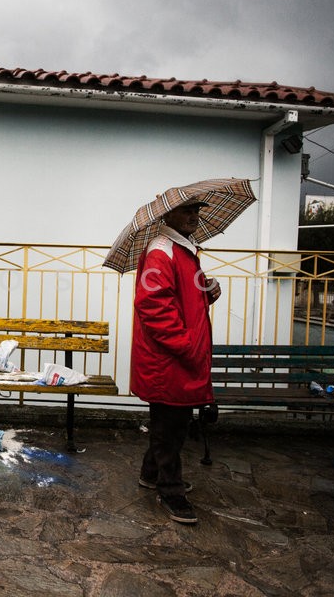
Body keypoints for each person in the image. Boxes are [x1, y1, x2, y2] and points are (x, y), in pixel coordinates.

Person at [130, 200, 220, 524]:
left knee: (170, 422)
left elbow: (183, 296)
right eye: (187, 211)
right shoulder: (162, 251)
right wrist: (188, 346)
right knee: (171, 427)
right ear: (167, 215)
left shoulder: (184, 251)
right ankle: (171, 490)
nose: (194, 216)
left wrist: (209, 291)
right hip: (169, 360)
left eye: (197, 211)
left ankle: (151, 473)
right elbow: (153, 306)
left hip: (176, 357)